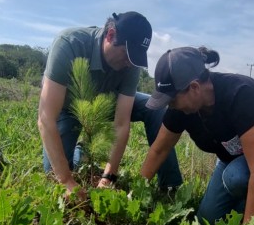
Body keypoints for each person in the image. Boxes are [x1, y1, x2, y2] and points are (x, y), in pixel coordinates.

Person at [140, 46, 254, 225]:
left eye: (172, 100)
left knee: (236, 178)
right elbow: (159, 150)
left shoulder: (240, 94)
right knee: (207, 221)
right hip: (235, 159)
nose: (170, 106)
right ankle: (251, 201)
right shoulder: (182, 108)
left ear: (194, 87)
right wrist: (136, 194)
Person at [38, 12, 182, 196]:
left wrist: (109, 176)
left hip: (107, 103)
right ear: (111, 35)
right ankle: (80, 154)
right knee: (54, 176)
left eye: (135, 58)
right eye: (127, 54)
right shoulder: (70, 43)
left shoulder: (131, 63)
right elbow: (46, 118)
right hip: (68, 108)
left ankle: (169, 188)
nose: (130, 63)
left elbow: (121, 123)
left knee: (155, 108)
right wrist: (66, 180)